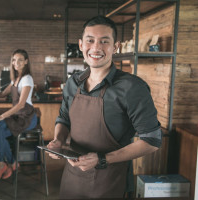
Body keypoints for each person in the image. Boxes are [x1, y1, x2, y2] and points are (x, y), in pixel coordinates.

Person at [47, 15, 162, 198]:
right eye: (90, 40)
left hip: (110, 182)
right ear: (81, 45)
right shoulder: (73, 83)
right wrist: (59, 140)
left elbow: (152, 140)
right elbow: (63, 118)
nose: (96, 47)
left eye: (104, 41)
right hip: (72, 178)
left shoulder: (132, 88)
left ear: (116, 47)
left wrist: (102, 159)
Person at [0, 49, 37, 182]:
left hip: (27, 117)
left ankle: (5, 163)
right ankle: (6, 162)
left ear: (26, 62)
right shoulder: (15, 79)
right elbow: (2, 94)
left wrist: (1, 116)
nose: (16, 63)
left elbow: (21, 104)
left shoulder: (27, 78)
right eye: (14, 60)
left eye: (20, 60)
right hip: (18, 116)